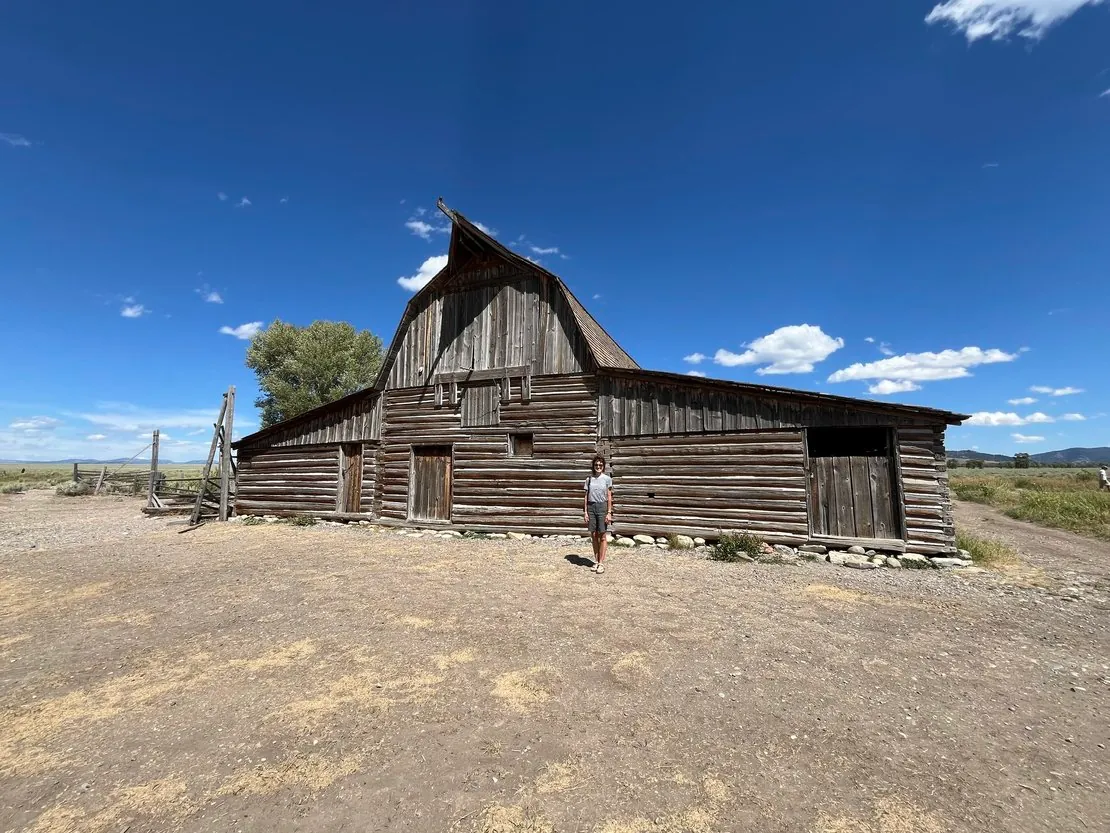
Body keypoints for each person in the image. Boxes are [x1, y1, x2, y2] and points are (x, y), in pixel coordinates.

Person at [583, 455, 613, 573]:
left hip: (602, 507)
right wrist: (585, 512)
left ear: (603, 466)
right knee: (594, 534)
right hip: (591, 507)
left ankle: (601, 563)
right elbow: (585, 497)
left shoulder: (607, 479)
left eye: (600, 465)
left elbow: (609, 496)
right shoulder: (589, 479)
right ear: (593, 466)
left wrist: (609, 512)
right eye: (596, 465)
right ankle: (596, 561)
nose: (598, 467)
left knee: (603, 535)